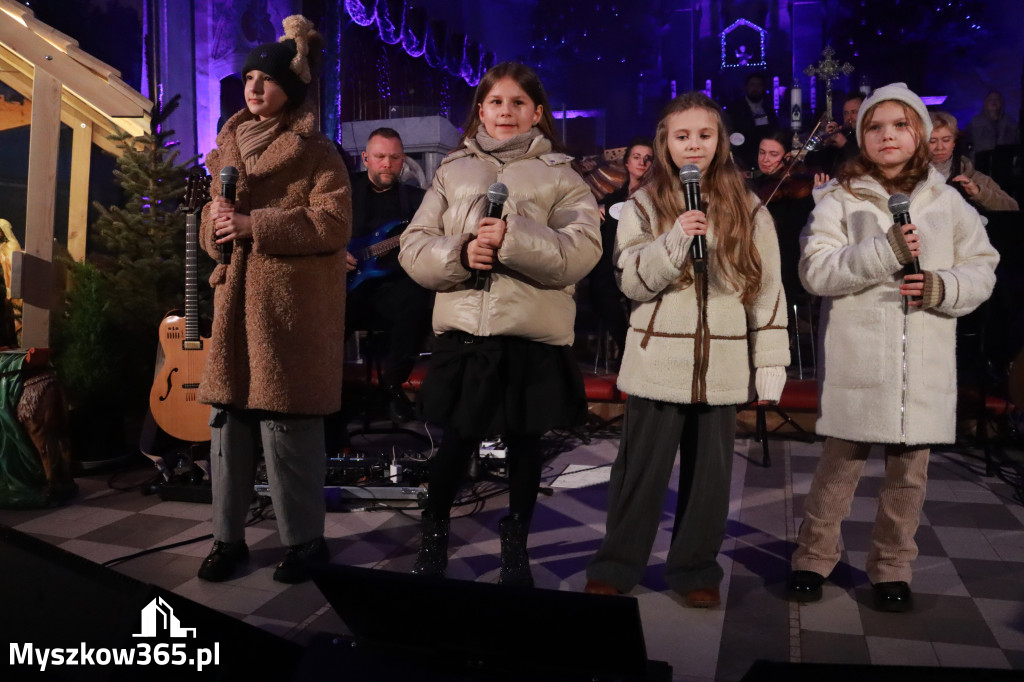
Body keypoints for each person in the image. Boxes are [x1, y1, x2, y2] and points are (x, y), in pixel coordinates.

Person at [789, 83, 998, 612]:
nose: (888, 136)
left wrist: (942, 287)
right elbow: (816, 271)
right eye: (875, 127)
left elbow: (982, 267)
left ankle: (892, 566)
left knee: (908, 478)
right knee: (837, 470)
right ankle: (813, 557)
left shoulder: (949, 203)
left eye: (901, 125)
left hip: (922, 367)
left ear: (921, 135)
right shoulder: (840, 200)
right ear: (862, 137)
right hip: (859, 361)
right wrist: (885, 251)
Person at [399, 61, 601, 587]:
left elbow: (580, 252)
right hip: (466, 333)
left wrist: (512, 237)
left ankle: (516, 548)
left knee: (526, 447)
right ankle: (434, 540)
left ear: (537, 112)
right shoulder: (452, 171)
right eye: (495, 102)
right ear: (481, 110)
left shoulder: (564, 176)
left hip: (528, 336)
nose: (505, 112)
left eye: (517, 103)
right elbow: (414, 246)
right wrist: (461, 253)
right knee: (456, 443)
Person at [584, 92, 790, 608]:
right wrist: (674, 241)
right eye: (682, 136)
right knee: (639, 474)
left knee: (710, 480)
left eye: (704, 134)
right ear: (665, 143)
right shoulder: (641, 206)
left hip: (722, 363)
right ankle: (616, 565)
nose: (693, 144)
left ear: (719, 141)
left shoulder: (749, 208)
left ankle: (695, 568)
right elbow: (631, 282)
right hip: (658, 361)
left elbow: (767, 289)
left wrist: (770, 359)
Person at [196, 15, 351, 584]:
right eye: (248, 78)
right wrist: (214, 227)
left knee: (288, 428)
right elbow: (212, 233)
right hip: (235, 309)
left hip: (290, 312)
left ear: (291, 87)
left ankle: (306, 543)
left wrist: (254, 224)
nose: (255, 87)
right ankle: (226, 540)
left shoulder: (318, 152)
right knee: (228, 426)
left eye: (266, 78)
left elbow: (333, 223)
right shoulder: (226, 149)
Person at [330, 128, 430, 440]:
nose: (387, 163)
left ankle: (393, 386)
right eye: (380, 157)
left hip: (391, 289)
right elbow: (319, 228)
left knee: (420, 297)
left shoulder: (416, 200)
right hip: (346, 287)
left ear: (403, 161)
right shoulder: (343, 192)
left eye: (394, 158)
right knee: (326, 314)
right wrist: (334, 254)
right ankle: (327, 403)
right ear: (366, 159)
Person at [587, 137, 653, 360]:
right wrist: (596, 209)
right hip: (613, 264)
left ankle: (632, 352)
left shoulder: (659, 197)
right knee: (600, 289)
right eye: (637, 157)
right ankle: (627, 348)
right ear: (626, 162)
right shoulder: (613, 199)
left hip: (645, 262)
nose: (642, 162)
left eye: (648, 158)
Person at [929, 111, 1018, 212]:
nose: (940, 147)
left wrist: (978, 192)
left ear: (954, 142)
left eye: (946, 140)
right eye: (932, 141)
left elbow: (1012, 207)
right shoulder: (914, 174)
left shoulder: (969, 174)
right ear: (922, 143)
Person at [725, 73, 778, 172]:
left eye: (759, 85)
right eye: (752, 85)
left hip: (765, 157)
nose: (755, 88)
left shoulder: (768, 108)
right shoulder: (734, 109)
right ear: (746, 87)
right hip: (742, 159)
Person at [966, 90, 1020, 159]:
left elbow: (1017, 144)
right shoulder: (975, 122)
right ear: (985, 103)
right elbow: (966, 144)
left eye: (997, 99)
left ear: (1001, 103)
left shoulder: (1011, 122)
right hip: (981, 162)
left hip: (1005, 161)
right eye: (990, 99)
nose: (993, 102)